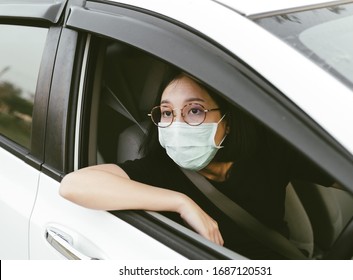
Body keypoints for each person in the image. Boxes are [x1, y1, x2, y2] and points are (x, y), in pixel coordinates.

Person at [60, 67, 335, 259]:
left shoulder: (269, 151)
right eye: (167, 112)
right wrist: (182, 202)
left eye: (194, 110)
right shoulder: (159, 171)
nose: (176, 124)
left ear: (227, 122)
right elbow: (73, 185)